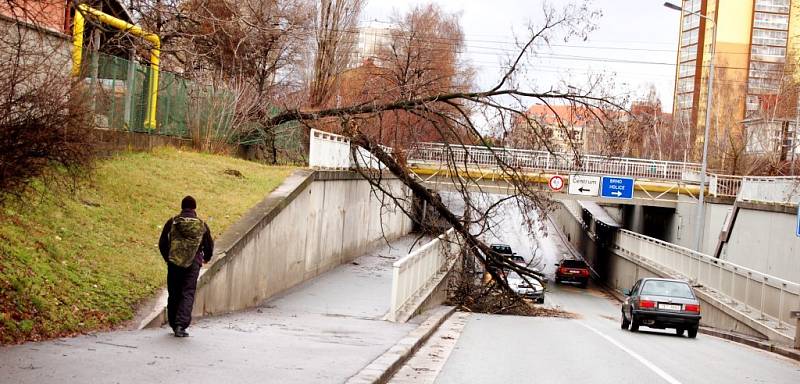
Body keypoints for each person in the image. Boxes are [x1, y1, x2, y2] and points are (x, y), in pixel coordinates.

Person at [158, 195, 213, 337]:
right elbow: (209, 245)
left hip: (174, 263)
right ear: (194, 208)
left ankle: (173, 323)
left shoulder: (173, 222)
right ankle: (181, 326)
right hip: (193, 263)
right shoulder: (201, 224)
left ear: (182, 207)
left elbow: (163, 242)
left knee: (174, 292)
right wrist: (205, 258)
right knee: (187, 292)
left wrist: (168, 258)